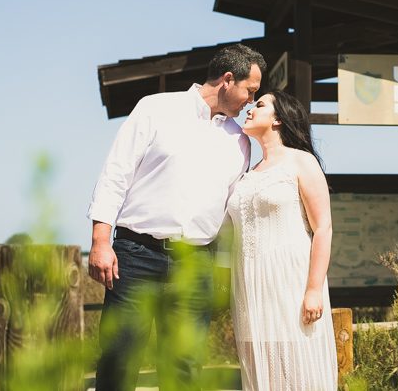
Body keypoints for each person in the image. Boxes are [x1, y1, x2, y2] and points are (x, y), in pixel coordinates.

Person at [87, 43, 266, 391]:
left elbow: (229, 215)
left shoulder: (240, 141)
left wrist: (222, 272)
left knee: (184, 366)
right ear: (228, 80)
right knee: (119, 358)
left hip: (196, 264)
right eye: (250, 90)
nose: (251, 100)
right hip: (136, 256)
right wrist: (99, 240)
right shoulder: (155, 108)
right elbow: (115, 173)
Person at [228, 90, 337, 391]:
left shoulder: (301, 162)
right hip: (250, 289)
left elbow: (324, 228)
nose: (249, 108)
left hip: (290, 284)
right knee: (262, 374)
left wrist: (314, 289)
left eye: (259, 104)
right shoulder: (245, 173)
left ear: (278, 119)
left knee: (299, 372)